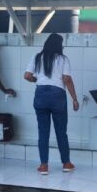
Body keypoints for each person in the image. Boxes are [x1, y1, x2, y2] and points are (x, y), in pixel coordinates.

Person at [24, 33, 79, 175]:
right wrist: (74, 98)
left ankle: (43, 165)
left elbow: (27, 76)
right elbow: (66, 79)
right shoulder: (63, 59)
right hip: (57, 95)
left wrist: (37, 81)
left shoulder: (37, 57)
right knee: (61, 131)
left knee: (43, 132)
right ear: (59, 45)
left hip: (41, 94)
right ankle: (66, 163)